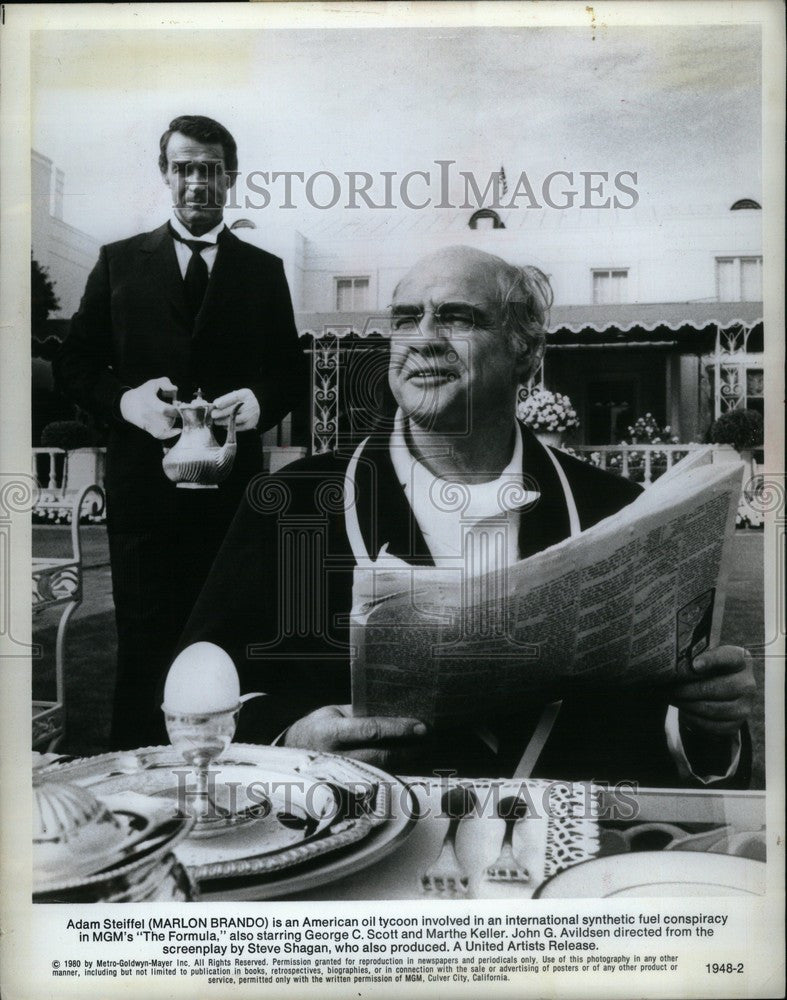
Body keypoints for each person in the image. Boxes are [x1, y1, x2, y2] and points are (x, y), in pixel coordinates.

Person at [175, 245, 754, 785]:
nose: (423, 339)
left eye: (458, 317)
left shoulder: (622, 511)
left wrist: (708, 726)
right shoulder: (290, 504)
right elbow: (194, 697)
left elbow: (666, 732)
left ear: (525, 352)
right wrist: (290, 741)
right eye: (405, 319)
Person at [54, 115, 306, 749]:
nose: (197, 181)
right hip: (146, 499)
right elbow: (74, 364)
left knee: (229, 639)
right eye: (184, 167)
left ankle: (240, 781)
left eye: (210, 169)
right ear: (166, 174)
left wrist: (259, 401)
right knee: (144, 647)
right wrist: (128, 403)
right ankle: (137, 792)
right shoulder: (118, 264)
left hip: (235, 501)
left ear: (231, 178)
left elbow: (288, 372)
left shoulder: (263, 270)